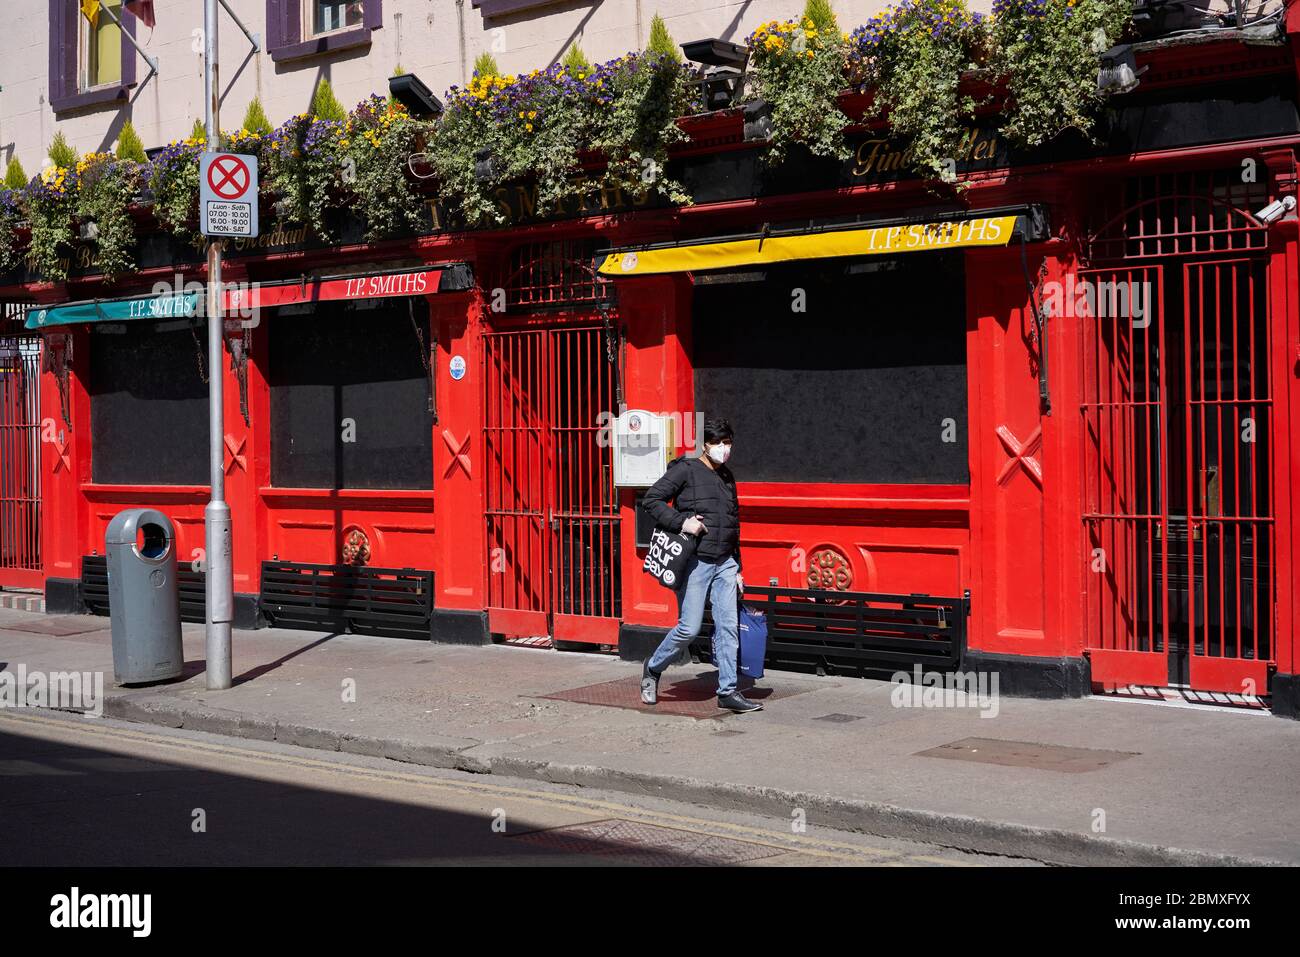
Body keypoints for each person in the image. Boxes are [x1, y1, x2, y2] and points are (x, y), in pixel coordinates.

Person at [639, 417, 760, 713]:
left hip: (725, 562)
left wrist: (739, 567)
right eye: (718, 442)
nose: (724, 448)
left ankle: (728, 691)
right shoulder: (686, 469)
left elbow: (733, 524)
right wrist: (683, 522)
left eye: (728, 442)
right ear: (704, 444)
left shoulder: (728, 476)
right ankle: (653, 668)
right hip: (696, 562)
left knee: (728, 627)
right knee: (689, 628)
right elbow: (652, 500)